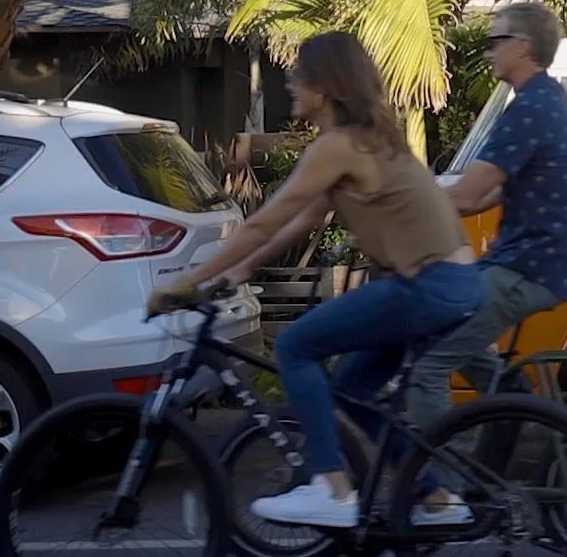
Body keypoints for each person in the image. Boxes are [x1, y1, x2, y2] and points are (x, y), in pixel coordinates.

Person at [148, 31, 485, 528]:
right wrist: (240, 271)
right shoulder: (374, 140)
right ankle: (435, 500)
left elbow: (264, 219)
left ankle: (332, 488)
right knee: (352, 392)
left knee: (296, 348)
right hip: (453, 285)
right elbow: (302, 220)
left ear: (323, 88)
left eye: (297, 77)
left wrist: (188, 282)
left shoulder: (338, 145)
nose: (290, 85)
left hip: (426, 287)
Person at [401, 0, 567, 517]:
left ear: (523, 47)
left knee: (427, 365)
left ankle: (443, 495)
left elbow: (467, 196)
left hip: (527, 267)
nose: (488, 49)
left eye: (496, 40)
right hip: (539, 262)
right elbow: (486, 195)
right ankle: (506, 402)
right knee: (448, 326)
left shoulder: (529, 108)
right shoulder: (547, 100)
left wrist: (396, 226)